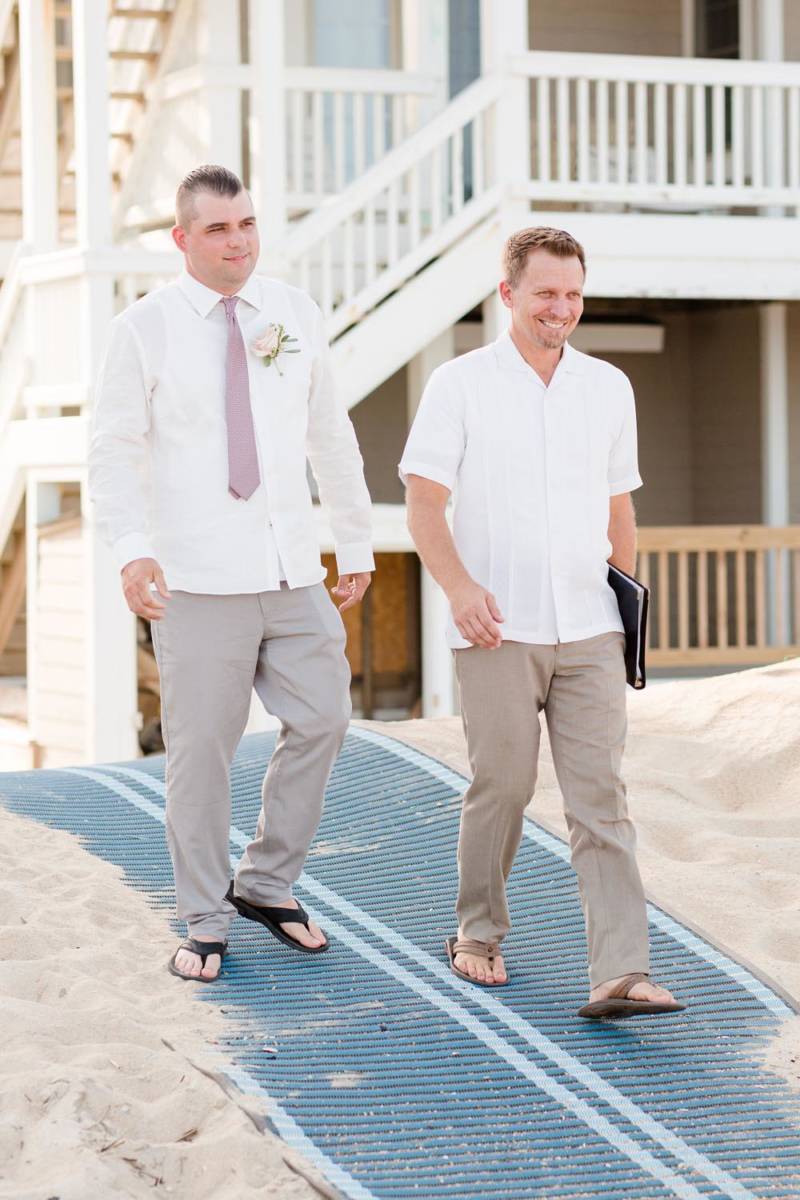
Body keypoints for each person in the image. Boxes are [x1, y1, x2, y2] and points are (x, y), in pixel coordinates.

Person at [89, 165, 374, 983]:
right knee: (202, 755)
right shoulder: (142, 329)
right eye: (218, 229)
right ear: (183, 239)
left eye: (246, 223)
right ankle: (205, 917)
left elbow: (330, 432)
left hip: (292, 566)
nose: (238, 241)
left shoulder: (293, 311)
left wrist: (352, 541)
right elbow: (113, 450)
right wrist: (130, 548)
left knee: (324, 719)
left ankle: (267, 883)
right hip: (196, 577)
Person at [400, 226, 684, 1019]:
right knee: (504, 785)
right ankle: (477, 932)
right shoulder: (459, 384)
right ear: (508, 295)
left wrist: (627, 610)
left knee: (602, 798)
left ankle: (621, 970)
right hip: (497, 626)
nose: (561, 308)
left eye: (572, 294)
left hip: (589, 624)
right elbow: (424, 505)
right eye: (545, 293)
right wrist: (459, 591)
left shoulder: (608, 387)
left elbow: (618, 507)